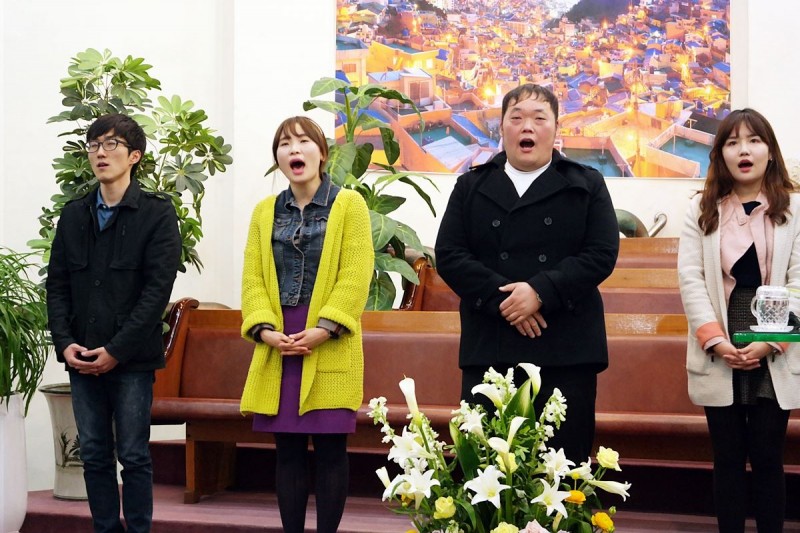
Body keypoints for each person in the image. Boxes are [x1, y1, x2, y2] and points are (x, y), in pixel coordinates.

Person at [435, 83, 619, 462]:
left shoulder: (586, 184)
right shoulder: (471, 185)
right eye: (516, 118)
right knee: (487, 467)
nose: (527, 127)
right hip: (491, 344)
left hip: (565, 349)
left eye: (539, 118)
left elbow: (601, 253)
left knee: (562, 468)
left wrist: (540, 292)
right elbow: (450, 255)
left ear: (556, 128)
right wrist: (507, 300)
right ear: (502, 128)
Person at [46, 114, 181, 533]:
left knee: (134, 455)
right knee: (93, 453)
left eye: (111, 144)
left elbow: (156, 293)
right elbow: (57, 286)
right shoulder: (74, 214)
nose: (100, 153)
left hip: (132, 361)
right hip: (83, 355)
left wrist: (117, 350)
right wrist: (64, 342)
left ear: (134, 156)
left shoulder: (157, 214)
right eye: (93, 145)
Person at [239, 116, 373, 533]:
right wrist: (265, 331)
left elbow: (356, 273)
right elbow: (253, 278)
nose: (293, 149)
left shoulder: (349, 205)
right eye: (284, 144)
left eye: (303, 141)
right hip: (279, 341)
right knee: (288, 451)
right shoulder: (265, 212)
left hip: (329, 338)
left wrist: (326, 327)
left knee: (331, 449)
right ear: (278, 158)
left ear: (322, 153)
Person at [678, 108, 800, 533]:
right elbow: (691, 278)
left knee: (767, 455)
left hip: (775, 336)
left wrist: (770, 340)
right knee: (727, 456)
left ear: (770, 151)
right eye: (732, 143)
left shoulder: (794, 209)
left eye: (753, 140)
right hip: (721, 336)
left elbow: (799, 282)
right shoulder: (701, 209)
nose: (743, 150)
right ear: (721, 154)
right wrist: (716, 340)